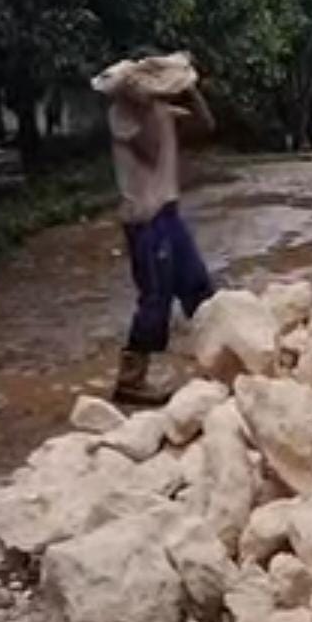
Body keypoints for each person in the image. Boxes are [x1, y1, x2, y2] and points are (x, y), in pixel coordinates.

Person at [101, 52, 216, 405]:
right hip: (145, 220)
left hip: (168, 215)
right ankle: (130, 380)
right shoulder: (125, 115)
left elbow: (206, 124)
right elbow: (147, 137)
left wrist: (188, 83)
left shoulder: (162, 112)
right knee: (155, 298)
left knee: (199, 288)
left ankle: (220, 357)